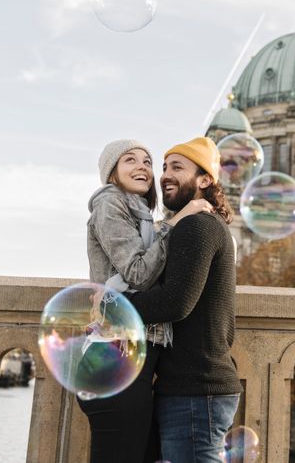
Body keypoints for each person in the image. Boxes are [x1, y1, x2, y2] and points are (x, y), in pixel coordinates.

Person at [82, 139, 212, 463]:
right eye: (130, 160)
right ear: (112, 172)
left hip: (131, 354)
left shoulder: (141, 216)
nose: (142, 166)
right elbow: (139, 274)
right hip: (115, 354)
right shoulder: (109, 203)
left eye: (147, 162)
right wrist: (179, 219)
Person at [129, 136, 242, 463]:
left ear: (205, 180)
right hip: (196, 388)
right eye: (165, 167)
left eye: (177, 168)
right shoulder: (206, 224)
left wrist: (116, 305)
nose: (165, 175)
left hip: (195, 391)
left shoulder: (197, 226)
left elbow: (175, 303)